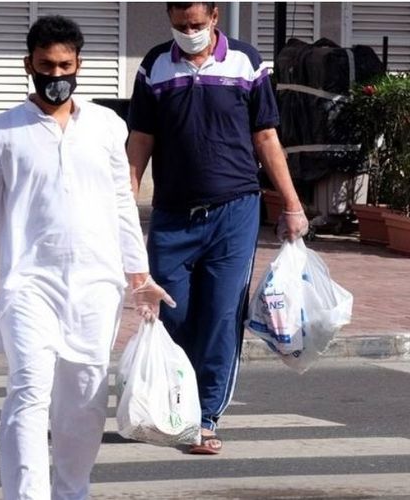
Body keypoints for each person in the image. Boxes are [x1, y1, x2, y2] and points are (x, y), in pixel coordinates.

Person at [0, 15, 173, 500]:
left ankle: (72, 491)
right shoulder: (3, 132)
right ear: (29, 65)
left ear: (79, 64)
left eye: (65, 65)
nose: (56, 75)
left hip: (97, 287)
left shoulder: (107, 126)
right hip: (27, 286)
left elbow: (122, 202)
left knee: (85, 398)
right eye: (46, 65)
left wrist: (139, 275)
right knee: (28, 391)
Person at [126, 2, 310, 455]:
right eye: (179, 24)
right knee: (172, 314)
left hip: (234, 212)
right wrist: (123, 208)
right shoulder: (155, 66)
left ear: (214, 18)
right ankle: (175, 404)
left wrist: (291, 205)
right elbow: (140, 141)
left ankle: (205, 417)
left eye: (196, 23)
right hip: (172, 215)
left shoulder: (246, 62)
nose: (188, 32)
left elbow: (266, 137)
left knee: (222, 315)